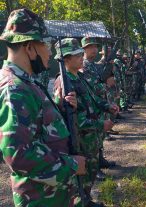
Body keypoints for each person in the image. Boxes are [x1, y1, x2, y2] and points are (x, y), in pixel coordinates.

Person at [0, 9, 86, 207]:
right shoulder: (14, 89)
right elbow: (18, 154)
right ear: (29, 47)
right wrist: (71, 165)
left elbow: (37, 126)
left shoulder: (26, 82)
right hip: (41, 198)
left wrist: (61, 109)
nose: (49, 52)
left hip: (54, 194)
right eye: (45, 45)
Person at [53, 38, 116, 207]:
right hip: (81, 139)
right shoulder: (64, 82)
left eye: (81, 53)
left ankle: (86, 200)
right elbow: (70, 118)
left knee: (91, 171)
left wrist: (107, 105)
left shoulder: (79, 76)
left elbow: (92, 98)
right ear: (66, 59)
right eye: (76, 55)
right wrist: (100, 125)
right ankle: (82, 202)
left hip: (90, 137)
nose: (81, 57)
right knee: (82, 176)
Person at [79, 37, 117, 180]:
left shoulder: (94, 64)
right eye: (90, 47)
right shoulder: (83, 65)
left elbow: (102, 79)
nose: (94, 49)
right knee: (92, 138)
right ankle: (94, 168)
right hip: (91, 104)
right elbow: (93, 84)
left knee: (99, 136)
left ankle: (100, 161)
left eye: (95, 46)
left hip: (99, 103)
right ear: (84, 49)